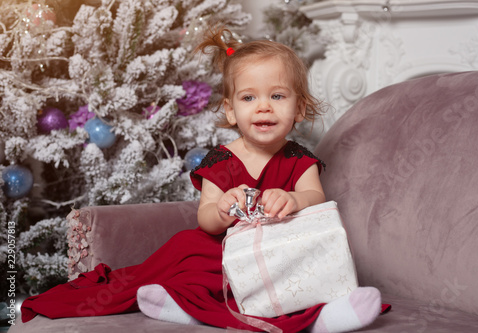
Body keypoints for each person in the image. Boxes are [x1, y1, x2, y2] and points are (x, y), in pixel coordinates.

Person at [21, 26, 383, 333]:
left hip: (280, 249)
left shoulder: (299, 158)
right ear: (230, 110)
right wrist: (223, 208)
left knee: (303, 267)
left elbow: (315, 197)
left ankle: (325, 316)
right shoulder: (222, 160)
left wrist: (294, 200)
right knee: (192, 257)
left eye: (277, 96)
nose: (263, 107)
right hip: (225, 250)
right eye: (248, 97)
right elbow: (206, 218)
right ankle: (184, 303)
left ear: (299, 108)